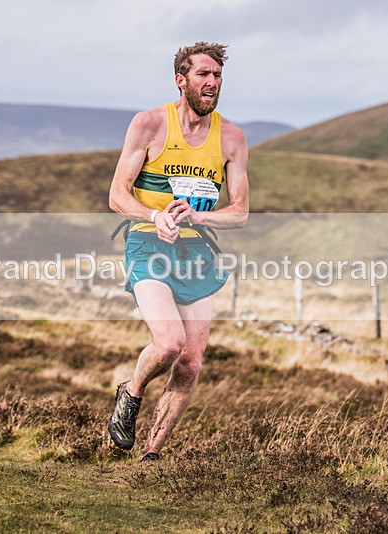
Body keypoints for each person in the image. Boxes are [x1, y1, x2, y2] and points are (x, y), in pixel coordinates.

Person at [107, 42, 249, 461]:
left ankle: (151, 453)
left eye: (218, 76)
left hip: (197, 253)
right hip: (149, 243)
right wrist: (156, 218)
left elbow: (240, 212)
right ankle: (131, 393)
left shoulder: (232, 138)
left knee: (190, 362)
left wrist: (200, 219)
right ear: (181, 80)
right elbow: (117, 195)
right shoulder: (150, 124)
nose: (212, 83)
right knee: (169, 343)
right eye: (204, 75)